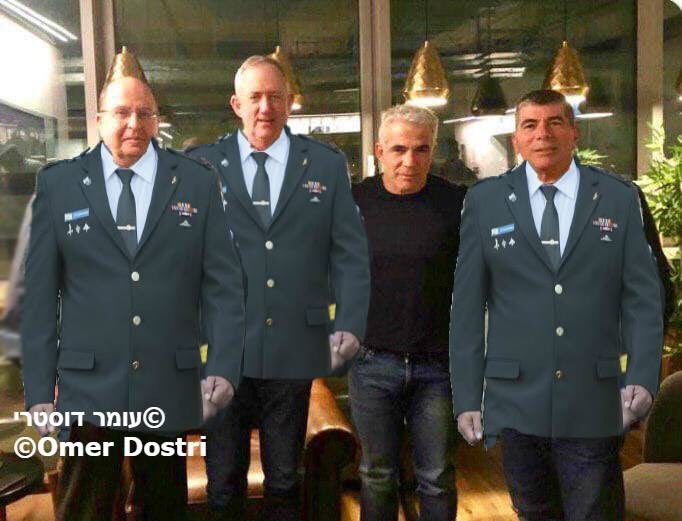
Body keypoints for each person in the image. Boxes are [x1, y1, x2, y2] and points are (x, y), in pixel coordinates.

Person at [21, 48, 245, 521]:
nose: (133, 124)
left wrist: (223, 367)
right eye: (121, 112)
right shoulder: (59, 184)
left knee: (163, 507)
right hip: (87, 388)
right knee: (85, 509)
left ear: (157, 121)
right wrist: (40, 387)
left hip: (167, 382)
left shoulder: (195, 183)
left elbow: (223, 286)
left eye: (145, 114)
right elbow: (39, 298)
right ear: (99, 119)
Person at [449, 89, 663, 521]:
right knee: (534, 511)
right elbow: (467, 308)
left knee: (594, 511)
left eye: (555, 122)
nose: (542, 134)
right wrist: (467, 395)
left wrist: (641, 376)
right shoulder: (485, 201)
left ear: (574, 133)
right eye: (530, 125)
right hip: (515, 398)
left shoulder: (617, 197)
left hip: (594, 396)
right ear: (516, 139)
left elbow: (643, 299)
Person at [187, 55, 370, 520]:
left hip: (292, 351)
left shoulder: (325, 164)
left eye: (275, 97)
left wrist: (348, 326)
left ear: (289, 102)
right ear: (236, 104)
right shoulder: (201, 166)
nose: (265, 107)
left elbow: (349, 253)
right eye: (255, 97)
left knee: (286, 481)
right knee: (223, 482)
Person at [350, 104, 466, 521]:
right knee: (376, 474)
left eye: (421, 149)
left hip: (439, 367)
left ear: (432, 151)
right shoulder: (353, 202)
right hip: (371, 363)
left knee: (436, 476)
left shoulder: (457, 203)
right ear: (379, 151)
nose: (409, 160)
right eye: (399, 149)